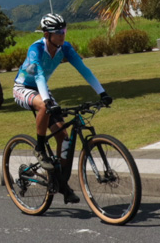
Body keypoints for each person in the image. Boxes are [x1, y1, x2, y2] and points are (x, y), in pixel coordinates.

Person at [13, 13, 112, 204]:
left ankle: (60, 183)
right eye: (57, 32)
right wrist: (47, 100)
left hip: (43, 90)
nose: (62, 35)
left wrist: (102, 93)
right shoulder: (36, 49)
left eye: (64, 30)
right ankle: (40, 148)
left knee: (64, 137)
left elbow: (83, 69)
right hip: (24, 88)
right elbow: (39, 75)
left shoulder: (65, 48)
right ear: (46, 34)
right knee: (43, 104)